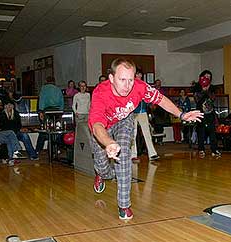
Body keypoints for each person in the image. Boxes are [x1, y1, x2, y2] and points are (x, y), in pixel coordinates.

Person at [88, 58, 203, 220]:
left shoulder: (139, 87)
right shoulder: (100, 93)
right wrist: (108, 143)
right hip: (103, 127)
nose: (127, 86)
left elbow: (161, 99)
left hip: (124, 120)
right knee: (103, 167)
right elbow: (97, 126)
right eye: (122, 80)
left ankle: (124, 205)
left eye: (130, 80)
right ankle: (101, 173)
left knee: (124, 156)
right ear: (111, 79)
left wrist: (182, 114)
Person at [131, 69, 159, 162]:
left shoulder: (144, 85)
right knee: (133, 134)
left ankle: (152, 154)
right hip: (133, 112)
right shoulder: (131, 85)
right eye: (137, 74)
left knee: (147, 132)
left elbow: (148, 97)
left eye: (140, 74)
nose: (139, 76)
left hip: (143, 111)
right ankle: (133, 155)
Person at [193, 70, 221, 158]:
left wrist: (207, 90)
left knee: (212, 131)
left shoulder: (212, 88)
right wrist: (203, 91)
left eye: (209, 77)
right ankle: (201, 149)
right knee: (201, 131)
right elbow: (197, 100)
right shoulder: (197, 87)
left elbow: (212, 99)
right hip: (200, 113)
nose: (207, 78)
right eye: (206, 76)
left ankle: (214, 149)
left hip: (210, 112)